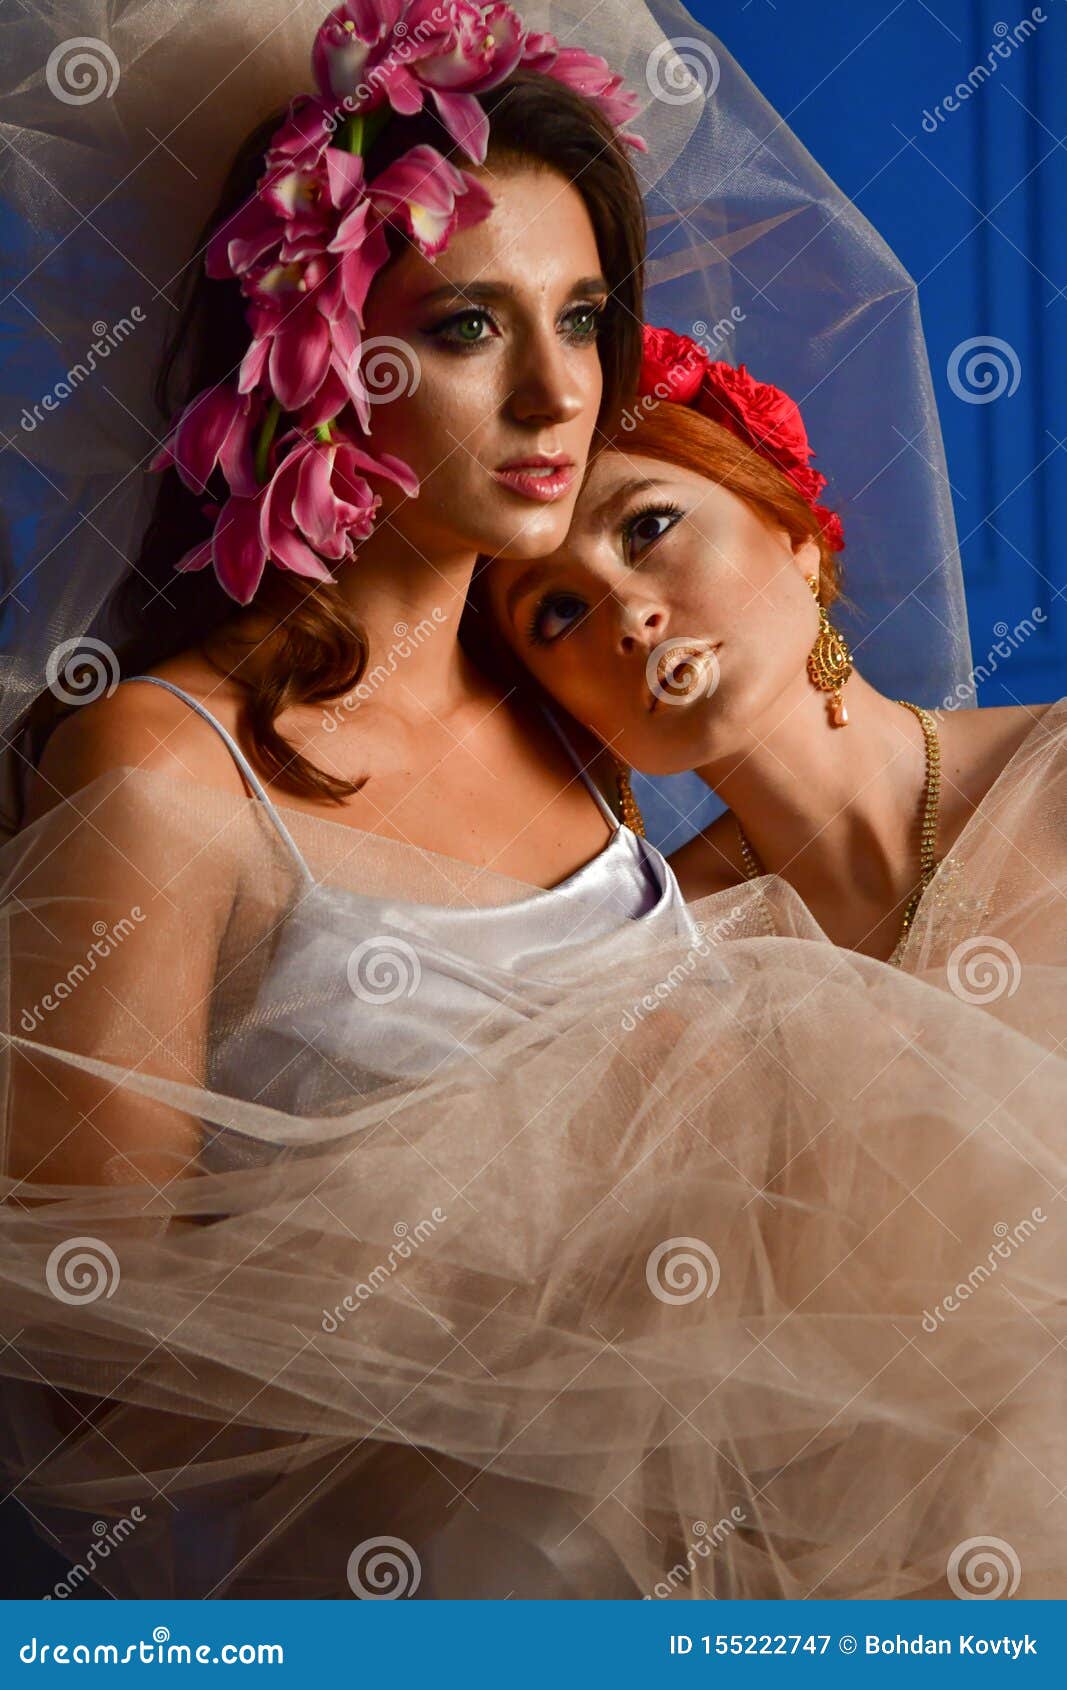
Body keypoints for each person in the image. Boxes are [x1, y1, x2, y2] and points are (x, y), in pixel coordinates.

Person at [4, 0, 1064, 1606]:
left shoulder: (571, 720)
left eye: (580, 316)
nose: (555, 395)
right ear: (312, 358)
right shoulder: (166, 762)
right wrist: (521, 1299)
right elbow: (87, 1353)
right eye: (462, 326)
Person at [481, 323, 1064, 971]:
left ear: (791, 534)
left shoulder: (1051, 775)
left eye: (647, 527)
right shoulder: (666, 963)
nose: (628, 612)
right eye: (558, 612)